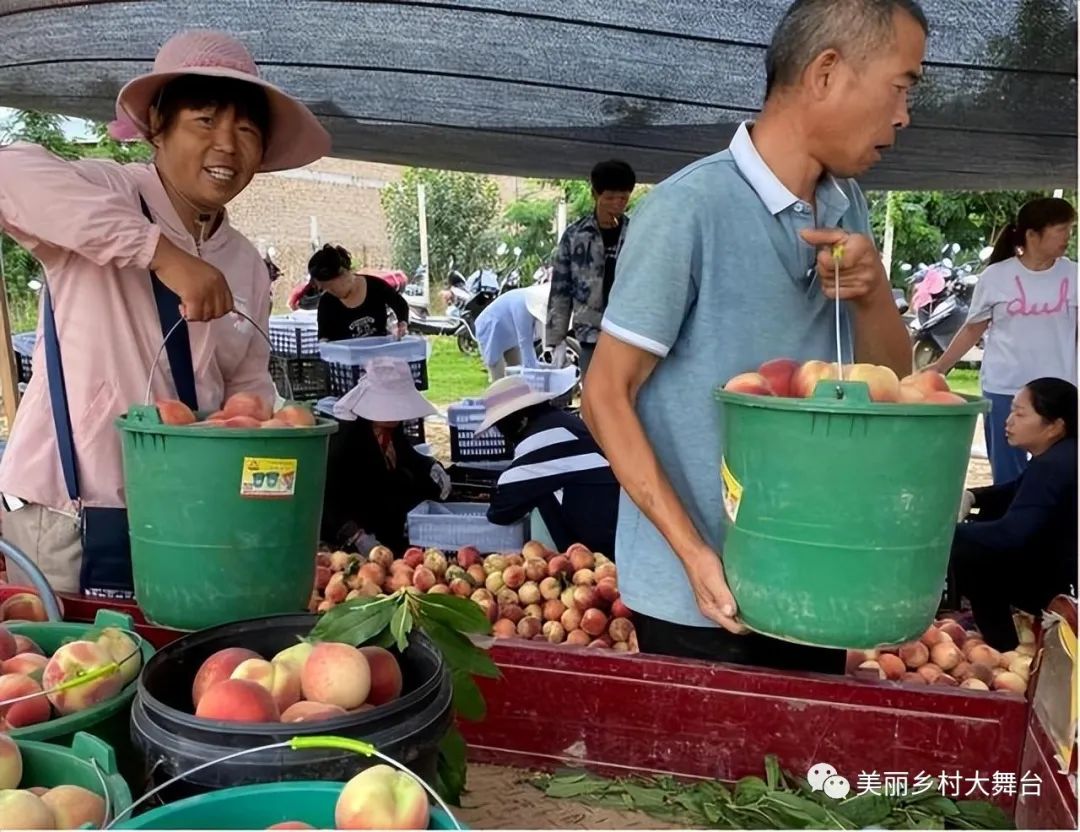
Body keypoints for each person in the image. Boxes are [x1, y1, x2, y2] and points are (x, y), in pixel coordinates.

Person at [581, 0, 924, 671]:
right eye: (901, 86)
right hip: (702, 603)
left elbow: (892, 384)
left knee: (797, 773)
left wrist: (873, 289)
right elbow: (603, 397)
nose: (905, 115)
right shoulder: (689, 211)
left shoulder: (845, 204)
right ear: (827, 72)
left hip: (808, 580)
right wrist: (694, 554)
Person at [0, 29, 330, 595]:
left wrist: (260, 440)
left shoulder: (246, 263)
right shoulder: (108, 193)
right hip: (74, 515)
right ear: (157, 125)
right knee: (76, 670)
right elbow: (10, 173)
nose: (227, 145)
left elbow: (246, 379)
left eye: (247, 130)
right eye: (205, 121)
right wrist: (160, 253)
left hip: (188, 521)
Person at [927, 198, 1077, 484]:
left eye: (1070, 229)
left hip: (1060, 391)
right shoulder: (996, 277)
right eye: (1061, 230)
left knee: (1063, 470)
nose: (1067, 237)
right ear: (1033, 235)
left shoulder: (1074, 275)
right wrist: (939, 366)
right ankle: (1008, 523)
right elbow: (973, 329)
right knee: (1007, 475)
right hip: (1004, 388)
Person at [952, 378, 1077, 650]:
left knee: (968, 551)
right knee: (983, 519)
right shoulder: (1064, 455)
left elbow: (1010, 534)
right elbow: (1016, 489)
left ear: (1055, 426)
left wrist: (944, 533)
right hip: (1063, 565)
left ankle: (1003, 646)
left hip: (1063, 586)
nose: (1008, 421)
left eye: (1020, 414)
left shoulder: (1053, 466)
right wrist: (974, 495)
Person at [476, 377, 618, 556]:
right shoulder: (564, 423)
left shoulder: (543, 439)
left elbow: (502, 509)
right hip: (616, 523)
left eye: (501, 427)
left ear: (522, 420)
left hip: (602, 545)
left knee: (538, 496)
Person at [321, 358, 451, 554]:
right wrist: (354, 535)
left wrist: (431, 465)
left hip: (387, 522)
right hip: (354, 528)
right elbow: (327, 496)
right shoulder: (346, 436)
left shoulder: (391, 429)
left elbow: (408, 456)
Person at [546, 160, 636, 379]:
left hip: (629, 332)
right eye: (610, 197)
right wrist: (555, 340)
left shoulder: (637, 233)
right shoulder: (575, 236)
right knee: (593, 398)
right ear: (595, 194)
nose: (617, 204)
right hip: (590, 334)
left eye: (623, 198)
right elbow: (560, 289)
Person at [306, 244, 411, 341]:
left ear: (341, 274)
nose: (330, 292)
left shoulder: (376, 286)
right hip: (345, 358)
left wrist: (402, 323)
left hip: (379, 354)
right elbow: (324, 336)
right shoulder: (327, 302)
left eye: (330, 287)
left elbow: (400, 304)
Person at [475, 283, 548, 381]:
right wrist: (535, 374)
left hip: (509, 334)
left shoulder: (534, 301)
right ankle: (498, 395)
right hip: (490, 328)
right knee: (498, 377)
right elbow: (525, 342)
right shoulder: (522, 305)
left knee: (516, 375)